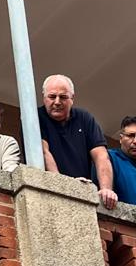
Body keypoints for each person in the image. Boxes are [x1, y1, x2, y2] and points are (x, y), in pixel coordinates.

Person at [38, 74, 116, 207]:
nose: (57, 102)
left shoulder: (85, 118)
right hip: (51, 194)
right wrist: (64, 186)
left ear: (72, 98)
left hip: (83, 192)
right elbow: (43, 152)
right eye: (52, 97)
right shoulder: (35, 116)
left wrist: (106, 189)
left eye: (63, 97)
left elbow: (101, 156)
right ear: (44, 97)